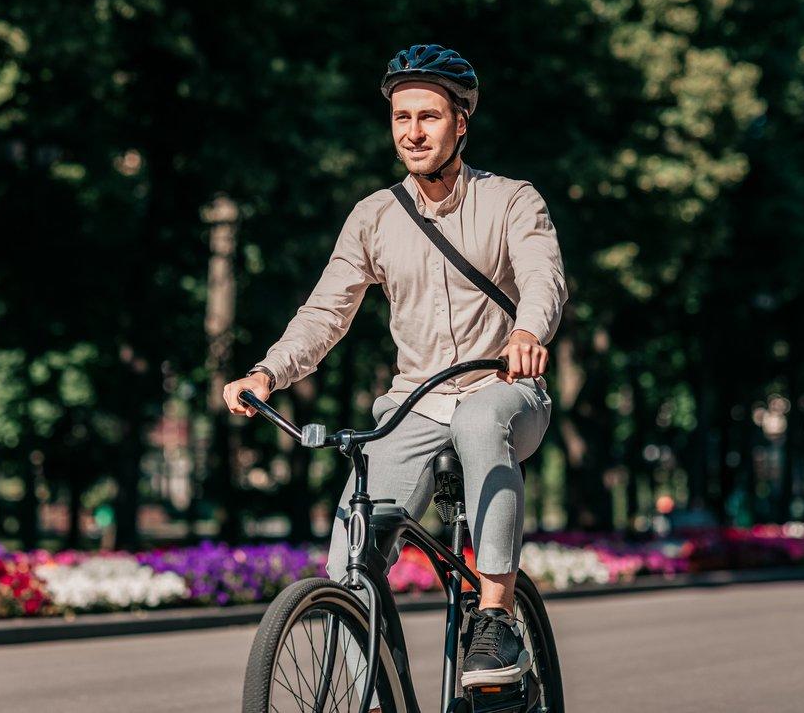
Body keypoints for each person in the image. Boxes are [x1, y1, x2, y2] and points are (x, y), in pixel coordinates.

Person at [222, 44, 568, 690]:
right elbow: (327, 312)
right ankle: (373, 691)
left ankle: (493, 618)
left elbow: (543, 278)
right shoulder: (375, 217)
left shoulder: (513, 201)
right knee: (352, 544)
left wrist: (527, 331)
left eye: (429, 117)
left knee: (479, 420)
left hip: (505, 391)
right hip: (415, 404)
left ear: (460, 122)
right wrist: (268, 371)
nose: (412, 132)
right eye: (401, 117)